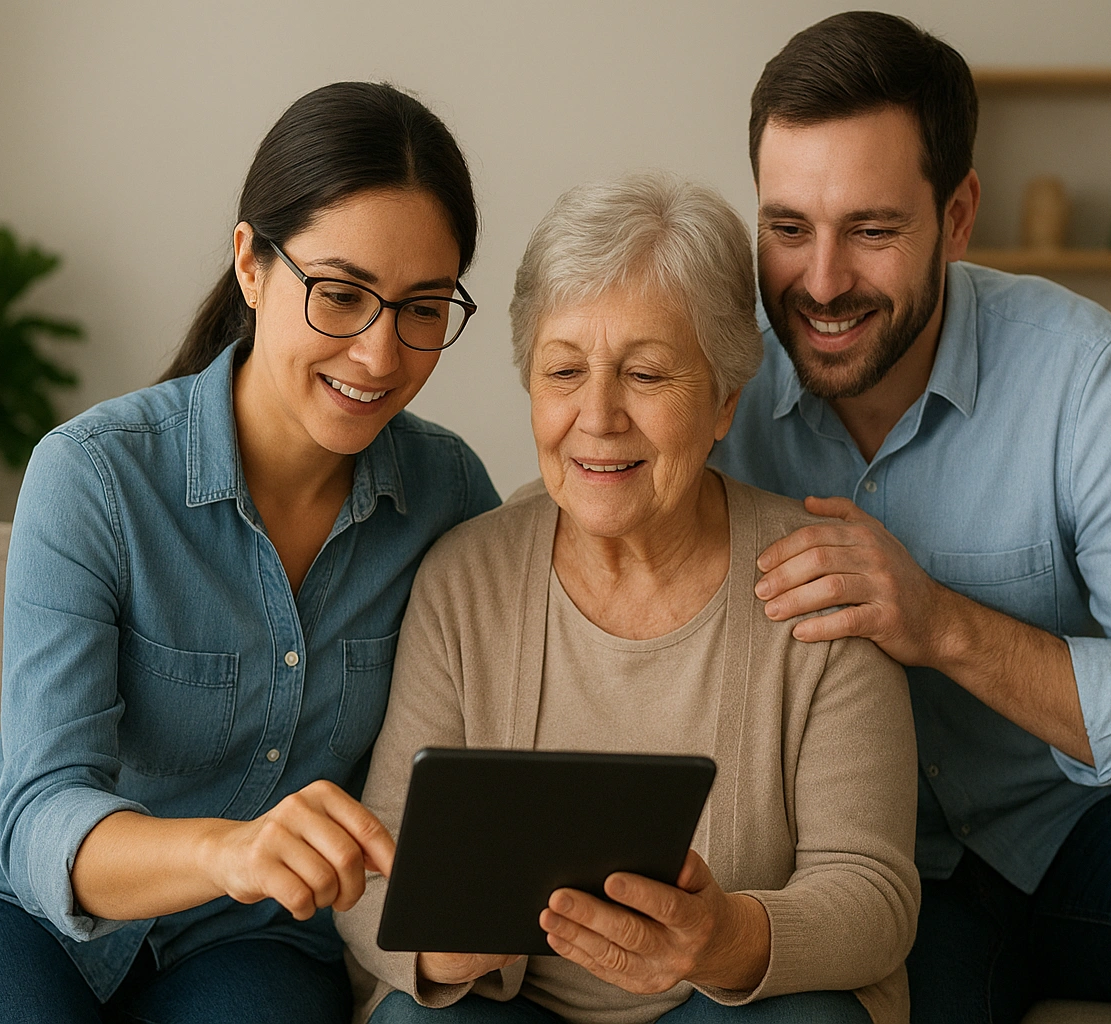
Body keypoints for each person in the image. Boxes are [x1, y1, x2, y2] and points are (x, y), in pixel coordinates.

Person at [708, 12, 1111, 1024]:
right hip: (873, 866)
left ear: (957, 217)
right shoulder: (717, 379)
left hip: (1085, 828)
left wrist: (941, 624)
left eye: (872, 230)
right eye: (787, 228)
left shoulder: (1087, 376)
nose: (820, 283)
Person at [0, 81, 500, 1023]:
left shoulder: (448, 495)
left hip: (252, 940)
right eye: (341, 294)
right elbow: (41, 812)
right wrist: (224, 851)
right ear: (251, 264)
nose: (378, 353)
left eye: (422, 308)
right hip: (0, 909)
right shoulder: (92, 479)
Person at [338, 172, 919, 1024]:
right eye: (564, 371)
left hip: (726, 1009)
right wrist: (431, 942)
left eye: (646, 374)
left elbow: (873, 896)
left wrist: (727, 937)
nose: (598, 416)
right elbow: (378, 862)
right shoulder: (465, 578)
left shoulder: (818, 581)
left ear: (724, 400)